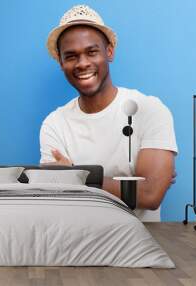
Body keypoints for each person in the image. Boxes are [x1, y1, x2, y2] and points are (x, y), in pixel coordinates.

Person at [40, 5, 178, 221]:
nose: (83, 63)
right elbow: (58, 200)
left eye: (92, 52)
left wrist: (74, 175)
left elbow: (151, 195)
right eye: (71, 56)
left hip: (139, 246)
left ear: (110, 51)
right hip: (78, 243)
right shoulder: (54, 124)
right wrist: (130, 185)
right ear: (61, 62)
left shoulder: (150, 110)